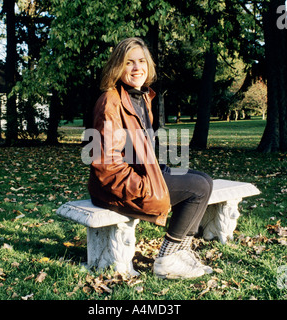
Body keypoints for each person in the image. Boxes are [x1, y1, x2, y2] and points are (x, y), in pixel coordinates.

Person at [87, 37, 213, 279]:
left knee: (204, 180)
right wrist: (146, 187)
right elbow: (107, 166)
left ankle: (181, 252)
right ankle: (167, 260)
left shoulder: (141, 96)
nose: (137, 68)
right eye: (129, 62)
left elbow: (138, 149)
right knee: (197, 189)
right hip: (114, 188)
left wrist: (158, 171)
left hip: (137, 173)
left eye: (141, 61)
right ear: (117, 67)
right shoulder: (110, 102)